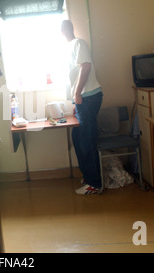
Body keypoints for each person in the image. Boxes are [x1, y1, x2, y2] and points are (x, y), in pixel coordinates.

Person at [61, 20, 103, 195]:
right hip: (81, 100)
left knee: (86, 140)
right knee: (78, 138)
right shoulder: (70, 47)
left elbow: (85, 67)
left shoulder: (79, 43)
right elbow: (74, 75)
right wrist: (74, 100)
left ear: (67, 30)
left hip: (89, 97)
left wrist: (77, 94)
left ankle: (95, 184)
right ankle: (88, 176)